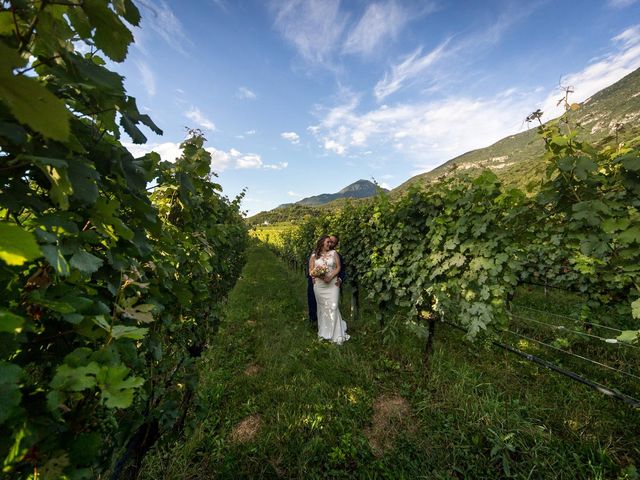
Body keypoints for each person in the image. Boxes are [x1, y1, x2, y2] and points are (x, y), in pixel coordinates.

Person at [309, 235, 349, 344]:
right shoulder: (314, 255)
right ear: (322, 242)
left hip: (332, 285)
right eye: (328, 242)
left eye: (331, 243)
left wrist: (331, 277)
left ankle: (337, 334)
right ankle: (324, 332)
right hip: (320, 286)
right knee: (322, 309)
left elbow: (339, 267)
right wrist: (317, 276)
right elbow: (311, 270)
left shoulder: (334, 253)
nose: (330, 244)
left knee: (334, 306)